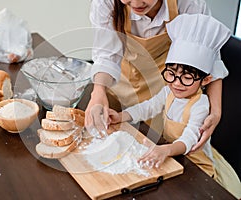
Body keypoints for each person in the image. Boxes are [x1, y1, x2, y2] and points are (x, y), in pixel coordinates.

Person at [107, 14, 241, 199]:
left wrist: (166, 150)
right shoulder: (169, 91)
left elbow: (189, 139)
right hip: (173, 157)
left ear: (206, 80)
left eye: (187, 77)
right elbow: (147, 107)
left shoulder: (200, 105)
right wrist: (121, 116)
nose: (177, 83)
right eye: (171, 74)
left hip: (195, 166)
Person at [86, 0, 226, 151]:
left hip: (160, 86)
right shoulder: (106, 3)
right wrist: (98, 92)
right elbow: (106, 55)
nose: (136, 3)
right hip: (118, 86)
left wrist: (216, 112)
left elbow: (212, 62)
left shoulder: (189, 4)